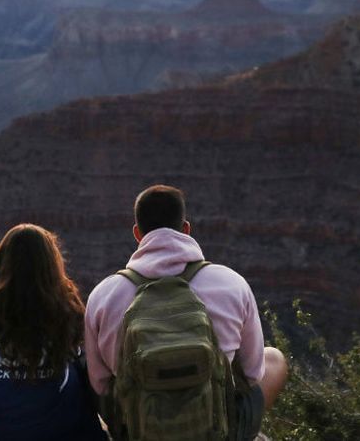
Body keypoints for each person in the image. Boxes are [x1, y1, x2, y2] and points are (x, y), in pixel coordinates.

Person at [85, 185, 289, 440]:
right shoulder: (231, 284)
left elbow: (99, 385)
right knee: (274, 359)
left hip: (140, 432)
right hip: (218, 432)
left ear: (138, 234)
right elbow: (252, 374)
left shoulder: (104, 296)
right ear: (186, 229)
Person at [0, 224, 107, 441]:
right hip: (54, 427)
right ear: (51, 264)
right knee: (82, 365)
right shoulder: (65, 308)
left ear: (1, 260)